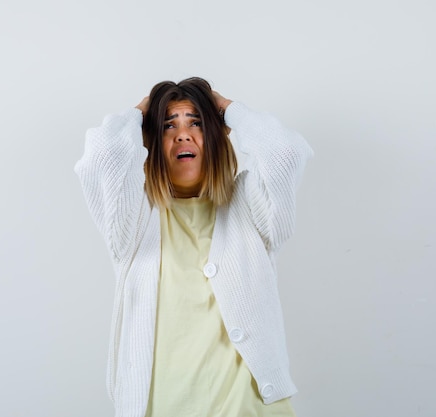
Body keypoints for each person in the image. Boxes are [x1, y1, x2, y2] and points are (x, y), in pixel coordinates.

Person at [74, 77, 313, 417]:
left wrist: (229, 110)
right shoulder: (133, 220)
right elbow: (103, 156)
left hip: (249, 408)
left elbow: (284, 153)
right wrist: (138, 115)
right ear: (150, 141)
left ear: (216, 136)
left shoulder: (249, 207)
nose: (182, 134)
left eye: (196, 123)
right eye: (168, 126)